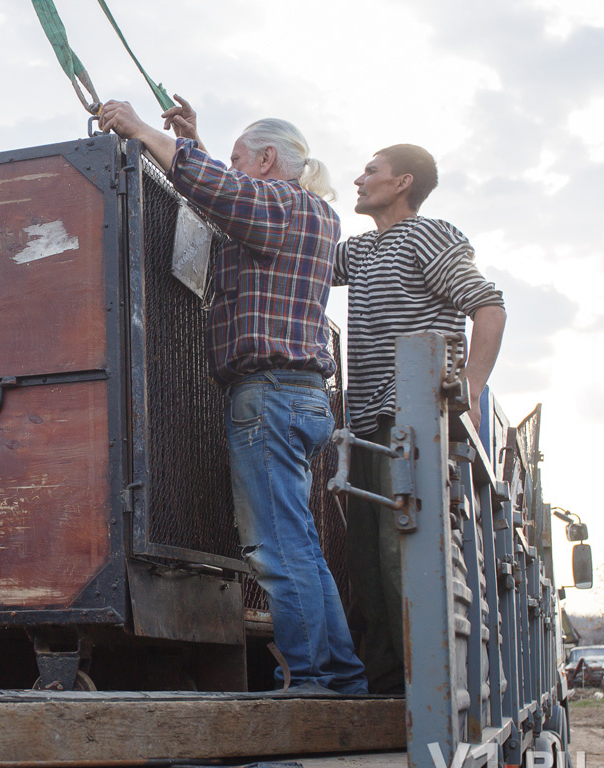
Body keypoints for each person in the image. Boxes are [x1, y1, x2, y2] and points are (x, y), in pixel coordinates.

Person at [99, 96, 367, 694]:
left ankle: (316, 676)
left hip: (267, 395)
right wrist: (191, 140)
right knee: (301, 544)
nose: (233, 163)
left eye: (242, 156)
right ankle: (341, 672)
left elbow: (211, 184)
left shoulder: (279, 203)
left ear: (269, 159)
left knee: (274, 548)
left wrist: (140, 129)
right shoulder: (313, 213)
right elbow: (219, 191)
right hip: (301, 397)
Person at [336, 144, 506, 694]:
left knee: (398, 556)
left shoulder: (428, 236)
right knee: (367, 562)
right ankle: (390, 692)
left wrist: (471, 389)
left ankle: (425, 692)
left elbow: (488, 305)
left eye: (372, 171)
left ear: (403, 182)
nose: (359, 179)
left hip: (407, 419)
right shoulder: (360, 252)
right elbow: (293, 247)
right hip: (362, 426)